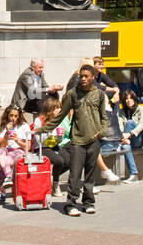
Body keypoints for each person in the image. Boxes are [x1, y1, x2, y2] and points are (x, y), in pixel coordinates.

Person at [41, 64, 108, 216]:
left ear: (92, 77)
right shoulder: (72, 94)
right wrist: (42, 129)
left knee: (90, 173)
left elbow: (104, 117)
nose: (83, 79)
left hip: (94, 140)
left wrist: (102, 131)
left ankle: (88, 202)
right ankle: (70, 204)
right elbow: (60, 116)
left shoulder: (99, 94)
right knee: (75, 174)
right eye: (81, 76)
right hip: (77, 141)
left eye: (86, 76)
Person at [67, 55, 121, 184]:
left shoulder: (88, 78)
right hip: (78, 119)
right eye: (91, 66)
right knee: (87, 147)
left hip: (85, 118)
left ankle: (92, 181)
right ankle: (102, 172)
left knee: (90, 147)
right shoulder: (78, 78)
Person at [32, 95, 72, 196]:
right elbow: (39, 141)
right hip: (41, 148)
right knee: (59, 161)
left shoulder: (57, 120)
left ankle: (52, 178)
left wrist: (59, 137)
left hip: (53, 145)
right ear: (50, 109)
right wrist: (53, 136)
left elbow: (58, 141)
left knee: (69, 161)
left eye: (60, 107)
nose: (59, 110)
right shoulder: (39, 120)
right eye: (57, 108)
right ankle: (55, 185)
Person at [0, 105, 32, 203]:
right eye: (11, 115)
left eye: (15, 116)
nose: (13, 118)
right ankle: (8, 177)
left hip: (19, 150)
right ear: (7, 115)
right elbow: (1, 145)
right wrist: (7, 133)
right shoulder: (4, 126)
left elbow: (28, 146)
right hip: (7, 150)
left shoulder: (24, 126)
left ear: (19, 116)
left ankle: (2, 193)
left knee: (3, 162)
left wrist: (17, 140)